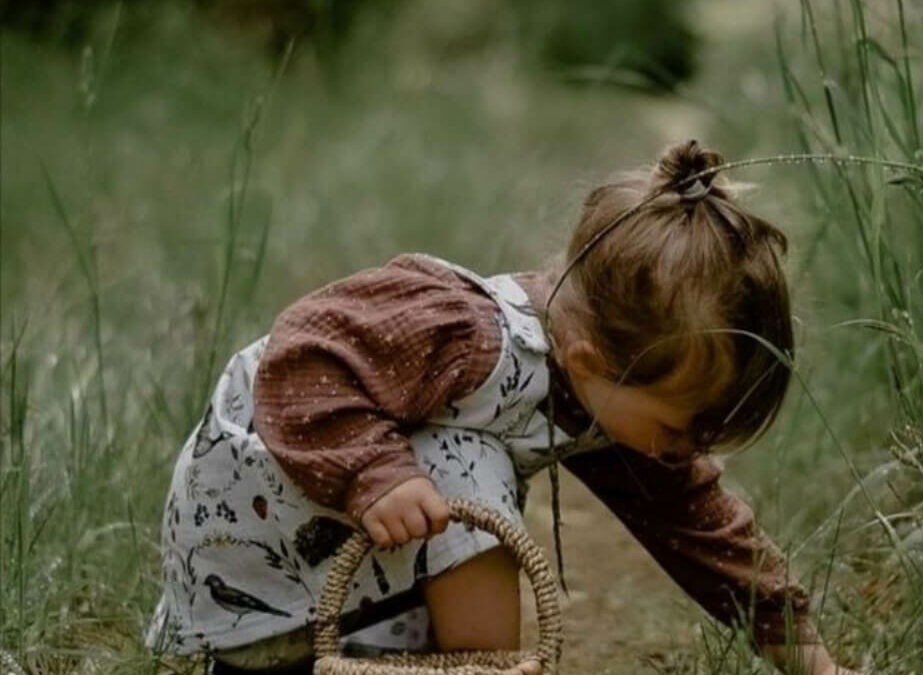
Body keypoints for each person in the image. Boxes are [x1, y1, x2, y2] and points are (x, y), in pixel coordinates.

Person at [147, 140, 858, 675]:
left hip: (343, 578)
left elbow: (702, 527)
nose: (684, 450)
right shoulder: (466, 333)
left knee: (465, 460)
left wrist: (803, 649)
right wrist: (373, 472)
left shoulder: (608, 391)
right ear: (587, 359)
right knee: (467, 461)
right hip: (257, 530)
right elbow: (301, 354)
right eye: (677, 427)